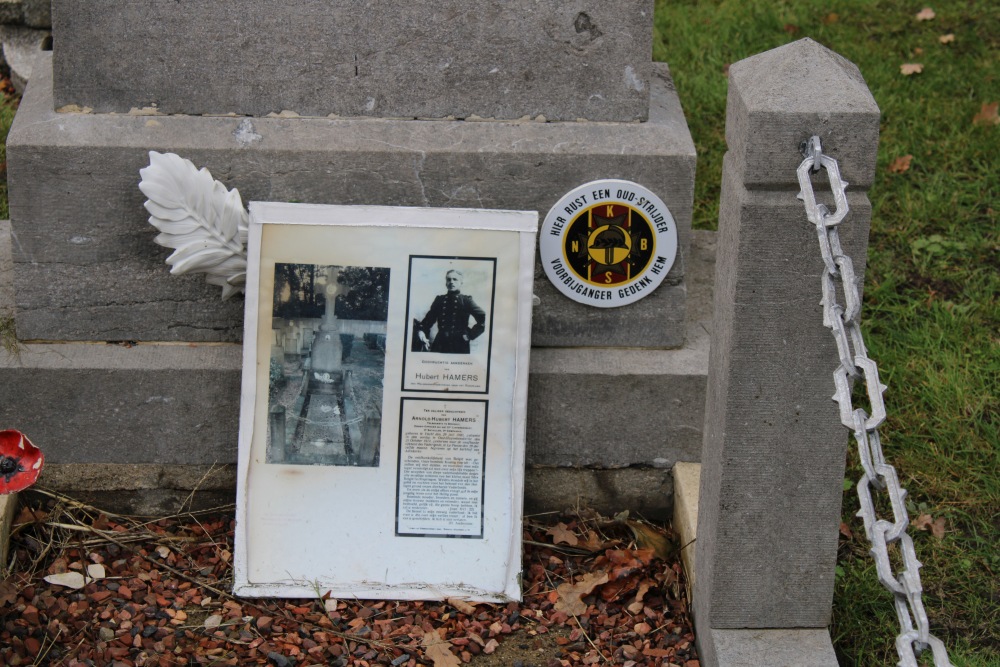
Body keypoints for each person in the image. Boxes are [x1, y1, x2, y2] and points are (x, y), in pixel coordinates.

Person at [416, 270, 486, 354]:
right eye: (448, 279)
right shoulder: (439, 300)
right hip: (440, 342)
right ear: (446, 283)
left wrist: (470, 335)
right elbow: (428, 320)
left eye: (455, 279)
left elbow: (482, 317)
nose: (451, 282)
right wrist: (421, 331)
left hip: (459, 344)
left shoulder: (466, 300)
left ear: (461, 283)